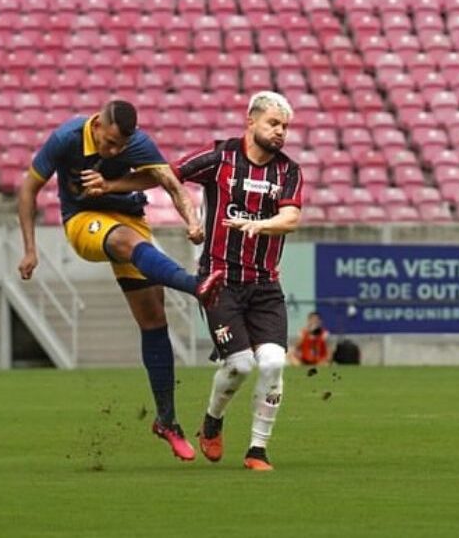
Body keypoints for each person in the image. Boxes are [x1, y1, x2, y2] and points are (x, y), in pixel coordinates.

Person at [82, 91, 304, 472]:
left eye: (284, 126)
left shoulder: (288, 171)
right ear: (250, 121)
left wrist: (260, 225)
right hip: (219, 281)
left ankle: (257, 450)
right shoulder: (220, 158)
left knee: (271, 363)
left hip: (266, 285)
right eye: (273, 123)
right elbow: (167, 175)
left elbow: (292, 218)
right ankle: (212, 421)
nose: (280, 132)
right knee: (240, 366)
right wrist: (112, 186)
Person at [17, 98, 224, 462]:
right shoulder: (66, 137)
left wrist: (192, 222)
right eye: (108, 142)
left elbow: (171, 183)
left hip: (127, 218)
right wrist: (30, 249)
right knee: (129, 242)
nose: (112, 150)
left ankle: (167, 422)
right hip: (84, 222)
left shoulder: (137, 143)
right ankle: (195, 287)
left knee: (153, 320)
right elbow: (28, 190)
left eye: (119, 146)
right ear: (97, 124)